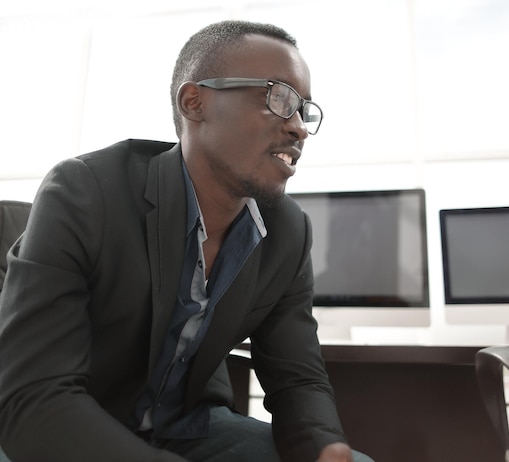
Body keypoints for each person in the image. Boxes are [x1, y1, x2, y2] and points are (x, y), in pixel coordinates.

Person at [0, 20, 374, 462]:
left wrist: (321, 448)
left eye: (303, 110)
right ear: (195, 102)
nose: (299, 128)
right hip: (67, 425)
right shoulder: (85, 191)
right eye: (278, 98)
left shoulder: (288, 232)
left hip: (185, 429)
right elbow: (34, 397)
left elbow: (297, 380)